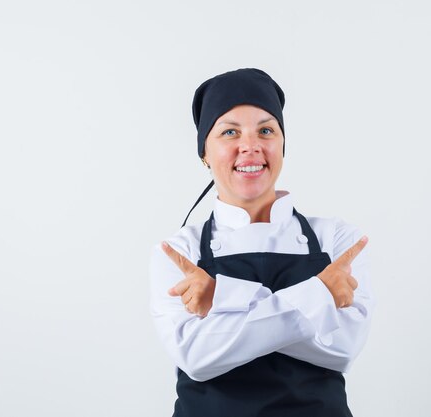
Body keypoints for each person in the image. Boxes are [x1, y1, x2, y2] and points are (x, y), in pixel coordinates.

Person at [149, 68, 375, 417]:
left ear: (282, 144)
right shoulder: (179, 251)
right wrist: (318, 294)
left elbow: (342, 348)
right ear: (204, 154)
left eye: (266, 130)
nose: (250, 146)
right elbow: (198, 357)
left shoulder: (338, 239)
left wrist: (221, 298)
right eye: (229, 132)